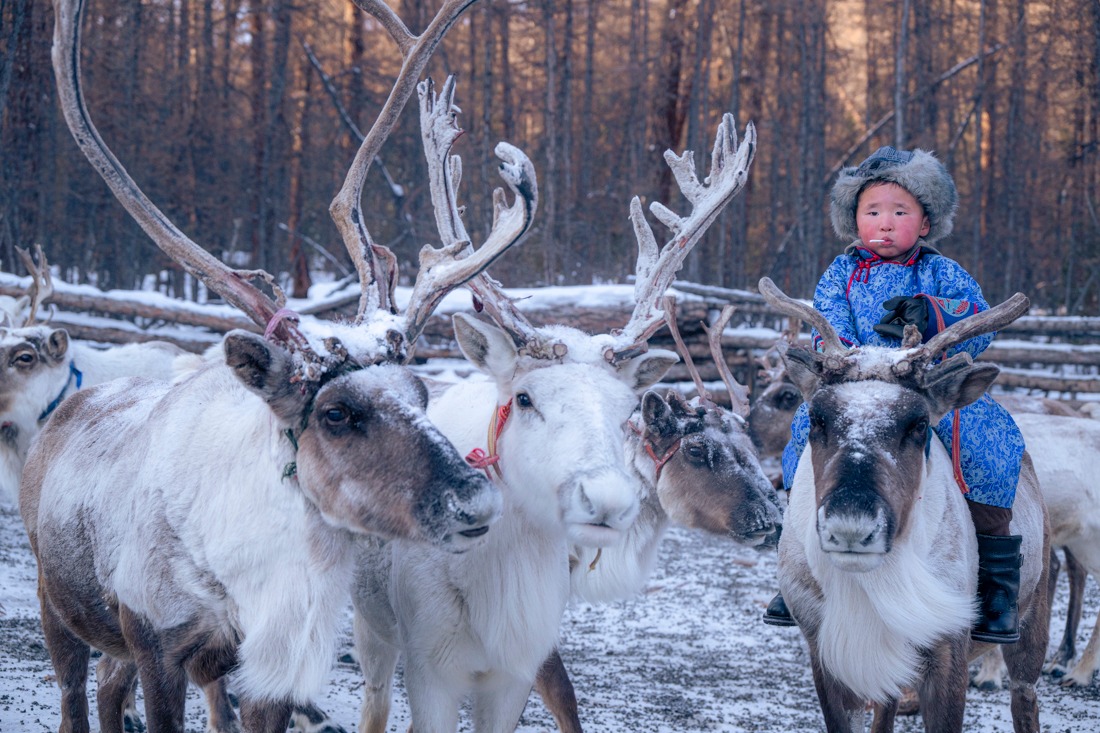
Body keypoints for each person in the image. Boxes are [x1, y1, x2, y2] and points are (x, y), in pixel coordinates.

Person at [761, 145, 1026, 645]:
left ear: (925, 223)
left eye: (899, 212)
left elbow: (978, 318)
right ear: (853, 220)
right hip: (854, 384)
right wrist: (840, 355)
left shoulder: (940, 273)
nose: (884, 223)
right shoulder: (841, 273)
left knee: (988, 442)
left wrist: (932, 314)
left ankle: (995, 585)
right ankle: (794, 565)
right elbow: (825, 325)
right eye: (872, 212)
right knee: (804, 437)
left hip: (923, 388)